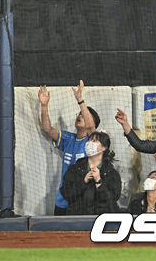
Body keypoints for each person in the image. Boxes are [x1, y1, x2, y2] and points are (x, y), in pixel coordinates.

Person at [38, 81, 100, 215]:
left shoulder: (93, 142)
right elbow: (47, 129)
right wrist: (44, 105)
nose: (80, 116)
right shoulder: (68, 138)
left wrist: (80, 100)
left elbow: (90, 128)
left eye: (84, 115)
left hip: (82, 199)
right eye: (79, 114)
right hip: (63, 198)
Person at [59, 131, 122, 215]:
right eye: (89, 140)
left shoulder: (111, 173)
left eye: (94, 141)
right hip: (78, 218)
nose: (89, 143)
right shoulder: (75, 168)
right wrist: (83, 182)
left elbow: (112, 199)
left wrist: (99, 182)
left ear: (104, 147)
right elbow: (66, 193)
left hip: (102, 219)